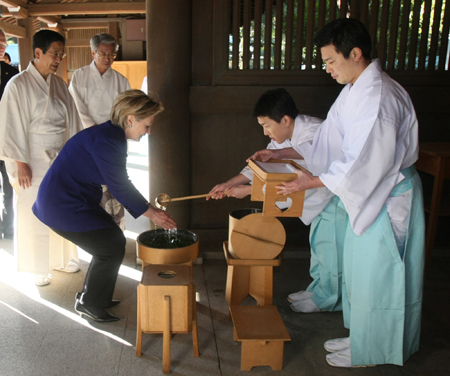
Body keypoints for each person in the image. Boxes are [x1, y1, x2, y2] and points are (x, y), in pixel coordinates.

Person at [272, 18, 425, 367]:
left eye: (330, 61)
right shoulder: (354, 91)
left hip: (387, 196)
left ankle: (377, 350)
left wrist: (311, 182)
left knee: (382, 276)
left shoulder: (379, 96)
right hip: (369, 194)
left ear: (355, 53)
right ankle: (364, 337)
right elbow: (330, 141)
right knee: (362, 272)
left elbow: (365, 158)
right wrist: (291, 159)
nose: (327, 69)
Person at [33, 90, 177, 323]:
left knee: (111, 240)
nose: (148, 132)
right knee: (110, 245)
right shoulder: (108, 140)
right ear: (131, 119)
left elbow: (119, 183)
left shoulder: (110, 135)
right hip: (61, 204)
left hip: (72, 200)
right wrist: (154, 214)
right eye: (147, 126)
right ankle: (90, 303)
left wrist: (150, 209)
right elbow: (121, 186)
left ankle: (93, 297)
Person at [209, 88, 342, 313]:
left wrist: (249, 191)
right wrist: (229, 184)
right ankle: (318, 289)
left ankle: (327, 299)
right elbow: (260, 168)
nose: (265, 132)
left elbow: (297, 171)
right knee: (319, 248)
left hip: (331, 199)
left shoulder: (316, 131)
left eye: (266, 126)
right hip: (315, 203)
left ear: (285, 119)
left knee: (331, 251)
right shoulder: (281, 139)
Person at [0, 29, 83, 286]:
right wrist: (19, 163)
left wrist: (75, 156)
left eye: (61, 54)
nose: (58, 59)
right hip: (32, 158)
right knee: (33, 211)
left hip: (59, 158)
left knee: (62, 207)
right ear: (37, 53)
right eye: (54, 54)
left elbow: (72, 122)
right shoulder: (18, 84)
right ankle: (37, 267)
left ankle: (61, 258)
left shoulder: (59, 84)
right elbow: (10, 125)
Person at [69, 33, 131, 231]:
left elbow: (126, 110)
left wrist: (110, 133)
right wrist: (92, 129)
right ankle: (91, 227)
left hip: (111, 138)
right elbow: (75, 105)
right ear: (93, 52)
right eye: (103, 53)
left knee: (114, 182)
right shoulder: (80, 75)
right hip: (86, 138)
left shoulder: (121, 80)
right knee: (90, 183)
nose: (107, 58)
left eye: (111, 54)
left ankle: (115, 226)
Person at [0, 29, 19, 240]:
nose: (2, 46)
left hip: (7, 137)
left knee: (9, 185)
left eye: (4, 43)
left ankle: (9, 227)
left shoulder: (12, 74)